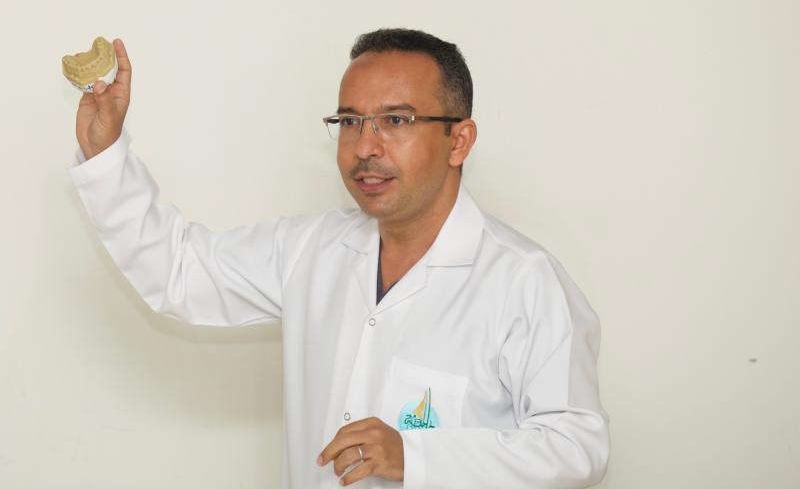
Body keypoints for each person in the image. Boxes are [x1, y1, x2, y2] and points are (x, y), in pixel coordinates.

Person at [67, 29, 610, 488]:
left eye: (396, 121)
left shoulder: (524, 280)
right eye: (350, 122)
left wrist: (417, 456)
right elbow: (178, 271)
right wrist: (104, 150)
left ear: (459, 141)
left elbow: (576, 447)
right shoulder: (310, 251)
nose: (365, 147)